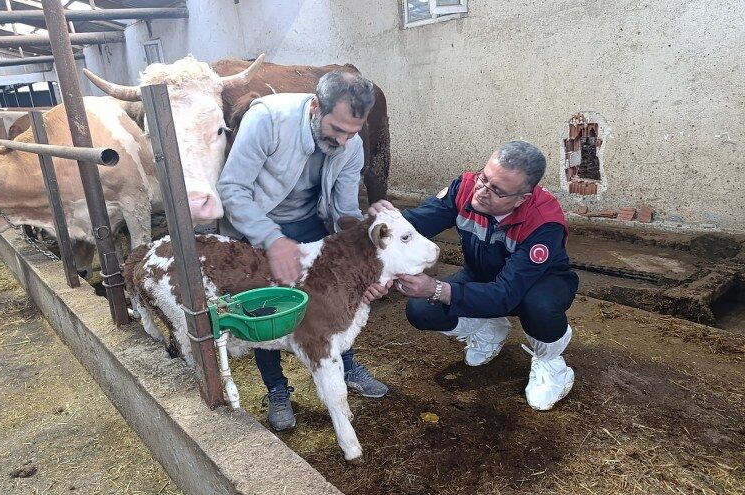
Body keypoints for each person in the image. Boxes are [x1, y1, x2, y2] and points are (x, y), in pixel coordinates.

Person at [217, 71, 389, 431]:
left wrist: (364, 228)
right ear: (315, 106)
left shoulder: (351, 145)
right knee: (265, 307)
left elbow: (342, 210)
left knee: (335, 298)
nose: (342, 141)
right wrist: (272, 239)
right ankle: (277, 389)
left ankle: (346, 363)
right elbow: (232, 189)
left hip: (312, 222)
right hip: (256, 223)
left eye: (352, 132)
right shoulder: (267, 120)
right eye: (336, 129)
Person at [365, 141, 578, 411]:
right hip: (482, 274)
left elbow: (505, 294)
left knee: (540, 307)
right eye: (484, 177)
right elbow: (415, 224)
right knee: (421, 310)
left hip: (536, 285)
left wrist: (436, 289)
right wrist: (379, 227)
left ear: (522, 198)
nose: (482, 191)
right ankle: (490, 328)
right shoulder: (465, 189)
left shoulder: (543, 223)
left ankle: (550, 362)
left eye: (497, 190)